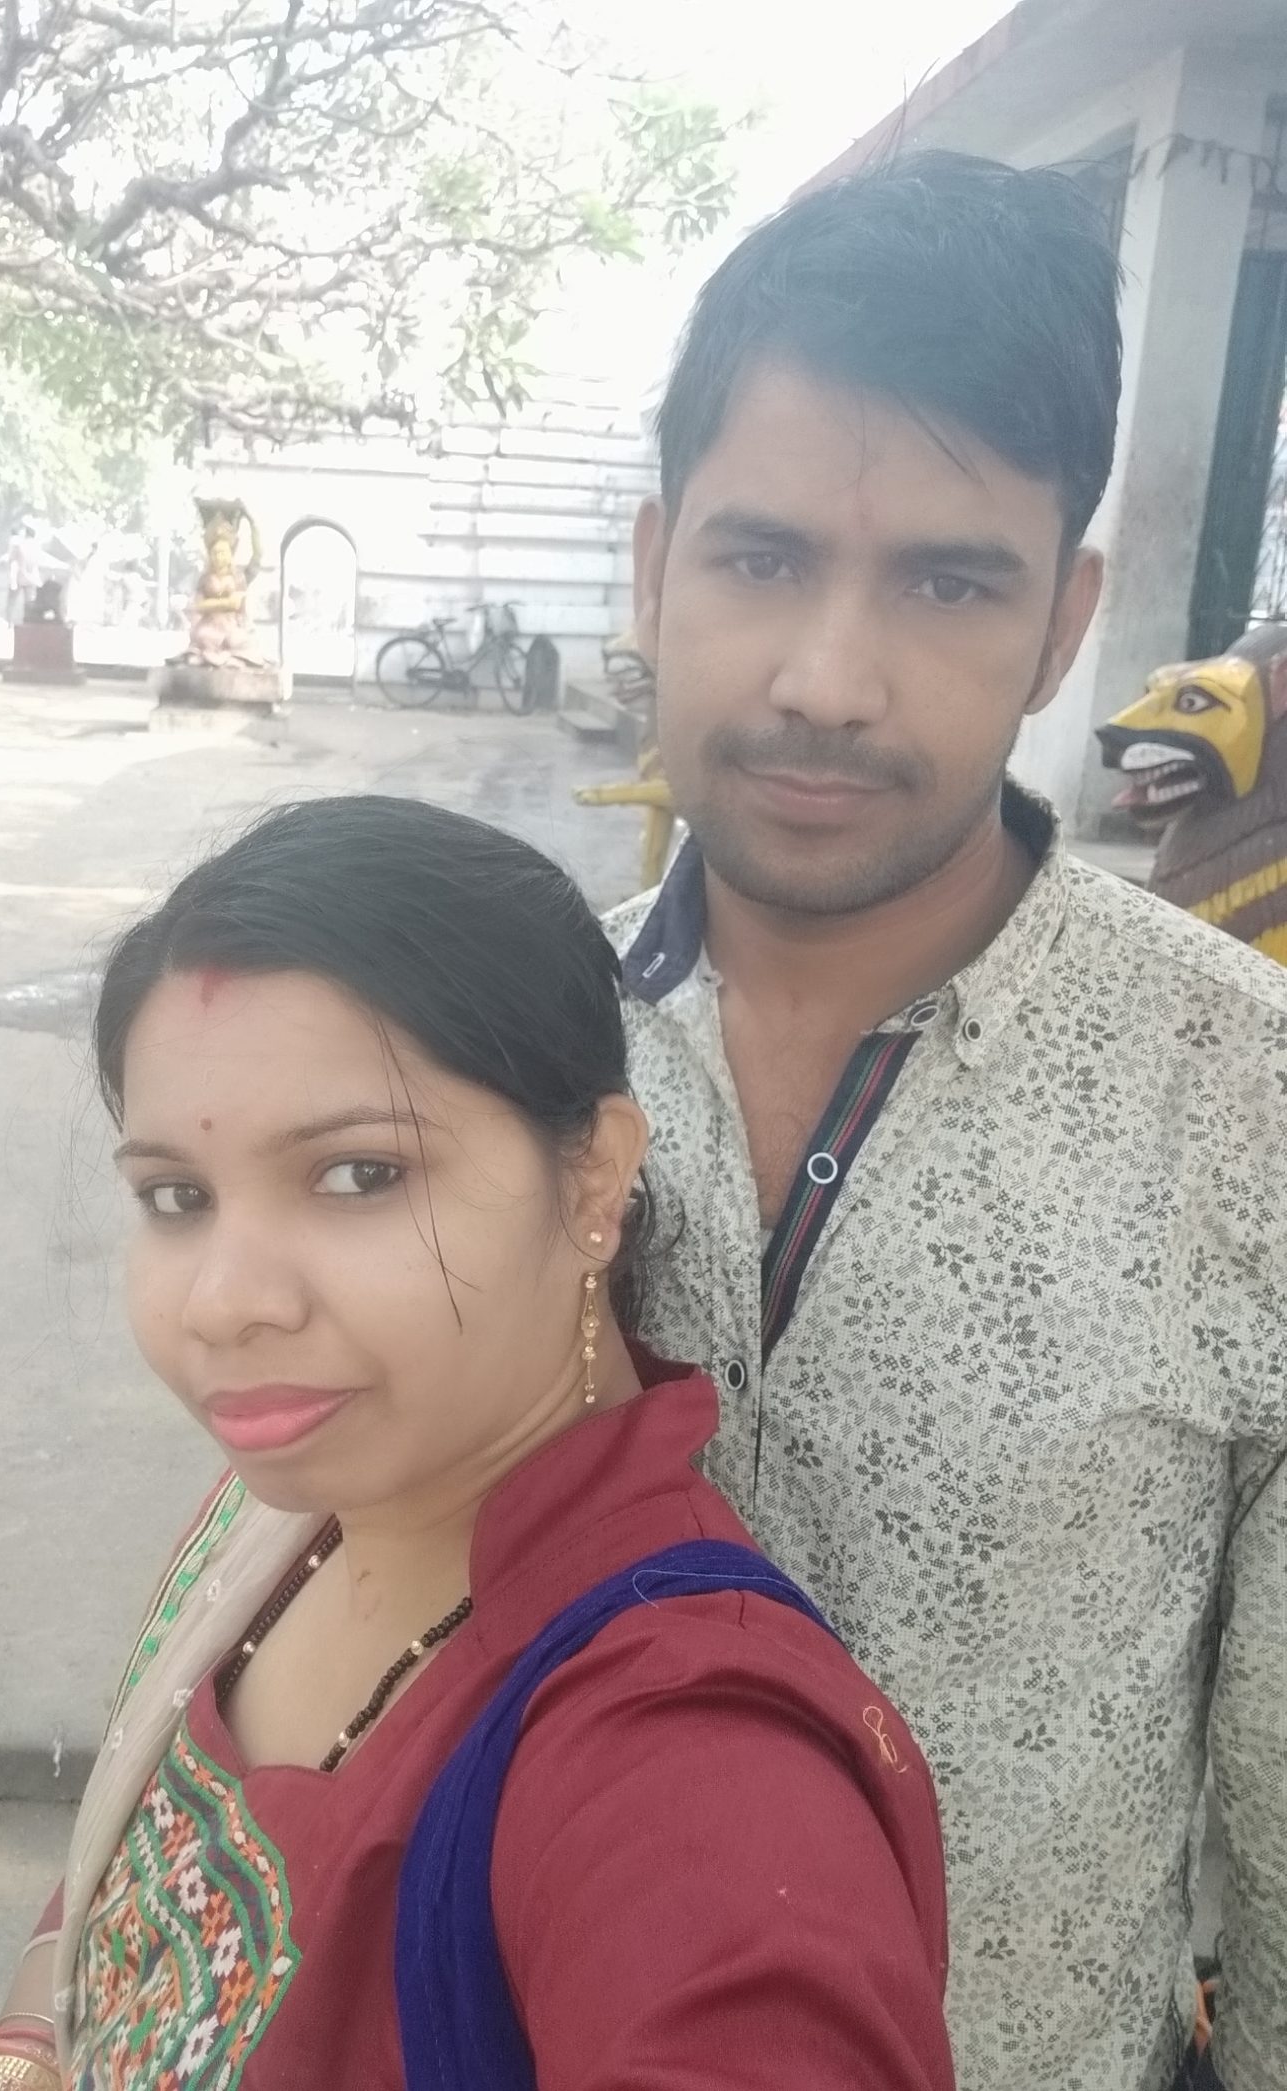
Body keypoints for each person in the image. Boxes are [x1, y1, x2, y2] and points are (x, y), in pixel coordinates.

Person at [0, 797, 953, 2091]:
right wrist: (23, 2047)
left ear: (592, 1178)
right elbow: (117, 1885)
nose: (223, 1302)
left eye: (358, 1174)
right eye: (176, 1197)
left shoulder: (690, 1767)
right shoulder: (282, 1515)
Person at [614, 149, 1287, 2091]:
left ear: (1064, 620)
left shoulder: (1246, 1107)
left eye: (945, 580)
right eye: (759, 559)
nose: (828, 680)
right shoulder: (479, 1048)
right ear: (653, 568)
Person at [7, 522, 43, 625]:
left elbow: (12, 560)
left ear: (26, 533)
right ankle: (28, 622)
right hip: (32, 579)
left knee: (11, 601)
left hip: (19, 577)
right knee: (29, 603)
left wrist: (12, 578)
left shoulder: (20, 545)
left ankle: (9, 622)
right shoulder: (37, 547)